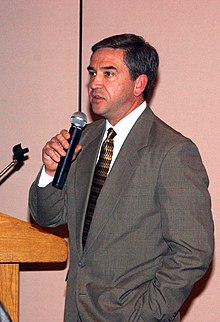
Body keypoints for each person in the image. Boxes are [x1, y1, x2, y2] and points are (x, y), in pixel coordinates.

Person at [29, 34, 214, 322]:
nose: (94, 84)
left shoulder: (172, 151)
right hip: (76, 314)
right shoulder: (85, 139)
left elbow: (193, 252)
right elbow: (47, 216)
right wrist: (50, 171)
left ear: (139, 84)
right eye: (92, 73)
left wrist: (146, 312)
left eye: (108, 73)